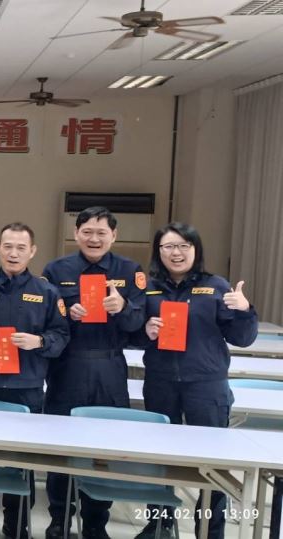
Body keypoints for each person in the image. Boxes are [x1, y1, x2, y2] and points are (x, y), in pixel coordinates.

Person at [135, 222, 257, 539]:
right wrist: (145, 332)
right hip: (161, 382)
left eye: (183, 246)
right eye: (168, 246)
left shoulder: (216, 286)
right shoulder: (149, 288)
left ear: (195, 249)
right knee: (160, 458)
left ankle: (211, 530)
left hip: (206, 386)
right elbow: (133, 333)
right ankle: (159, 525)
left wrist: (245, 310)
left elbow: (243, 338)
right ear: (159, 252)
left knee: (212, 464)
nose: (176, 253)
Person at [41, 207, 147, 539]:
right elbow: (44, 320)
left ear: (114, 236)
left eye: (102, 232)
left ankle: (95, 521)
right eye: (87, 231)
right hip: (68, 367)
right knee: (61, 445)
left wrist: (123, 308)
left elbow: (140, 324)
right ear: (76, 233)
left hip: (109, 366)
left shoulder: (129, 271)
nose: (94, 238)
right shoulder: (56, 270)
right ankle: (59, 518)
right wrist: (67, 314)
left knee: (104, 448)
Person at [0, 223, 70, 539]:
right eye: (7, 246)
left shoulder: (47, 292)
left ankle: (17, 519)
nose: (13, 253)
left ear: (32, 251)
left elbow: (62, 335)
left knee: (21, 459)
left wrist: (40, 342)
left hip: (27, 389)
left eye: (21, 247)